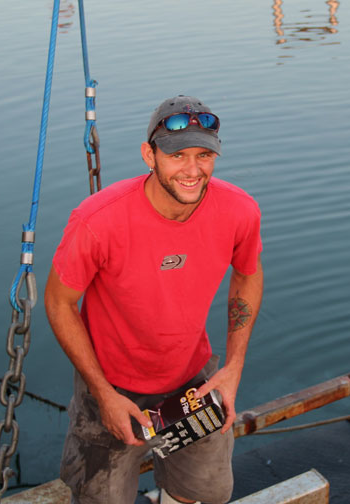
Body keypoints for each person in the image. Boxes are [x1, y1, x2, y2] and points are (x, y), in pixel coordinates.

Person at [44, 95, 264, 504]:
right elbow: (59, 302)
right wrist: (103, 393)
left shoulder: (240, 211)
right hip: (112, 385)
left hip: (192, 382)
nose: (193, 170)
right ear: (149, 155)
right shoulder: (97, 221)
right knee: (101, 498)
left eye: (204, 155)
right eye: (177, 155)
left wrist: (233, 367)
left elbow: (247, 274)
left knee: (205, 492)